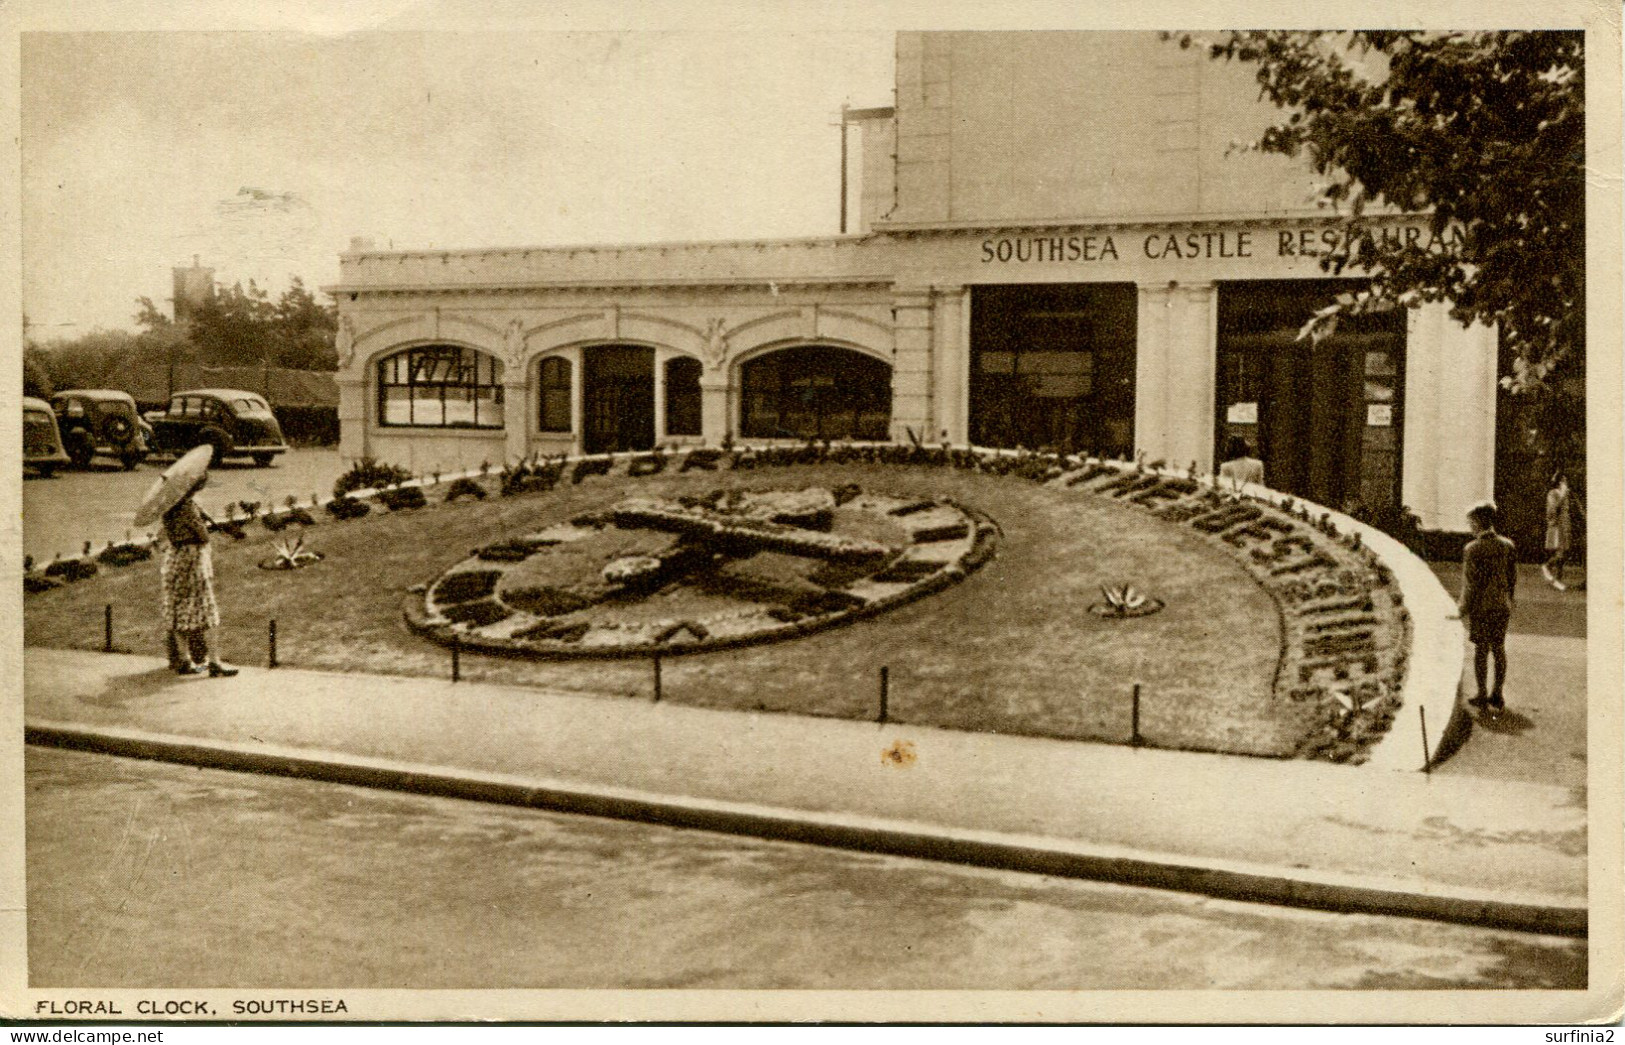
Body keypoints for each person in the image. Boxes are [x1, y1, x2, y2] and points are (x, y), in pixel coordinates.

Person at [160, 472, 238, 677]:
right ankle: (214, 662)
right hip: (192, 559)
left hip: (174, 559)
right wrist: (199, 516)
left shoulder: (166, 506)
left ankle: (184, 660)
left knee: (177, 608)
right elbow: (201, 534)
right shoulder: (186, 506)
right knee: (207, 609)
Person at [1460, 501, 1516, 711]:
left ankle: (1482, 693)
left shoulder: (1472, 549)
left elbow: (1470, 584)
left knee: (1481, 650)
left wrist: (1462, 609)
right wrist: (1508, 600)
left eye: (1470, 522)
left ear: (1477, 522)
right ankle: (1498, 694)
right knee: (1499, 648)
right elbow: (1512, 578)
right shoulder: (1508, 545)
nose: (1469, 526)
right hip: (1502, 605)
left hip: (1482, 608)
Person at [1542, 471, 1573, 591]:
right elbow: (1554, 508)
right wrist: (1564, 494)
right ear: (1559, 482)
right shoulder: (1553, 493)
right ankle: (1546, 566)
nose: (1565, 483)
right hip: (1557, 525)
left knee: (1563, 552)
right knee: (1559, 552)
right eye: (1563, 481)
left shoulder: (1563, 493)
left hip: (1564, 524)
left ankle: (1558, 579)